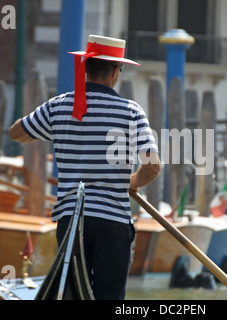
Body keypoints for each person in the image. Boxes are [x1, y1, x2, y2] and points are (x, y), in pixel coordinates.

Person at [9, 35, 161, 300]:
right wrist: (133, 182)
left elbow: (16, 133)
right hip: (113, 219)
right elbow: (153, 166)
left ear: (85, 68)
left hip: (71, 218)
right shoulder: (131, 111)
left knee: (71, 295)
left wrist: (50, 125)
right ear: (115, 71)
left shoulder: (58, 105)